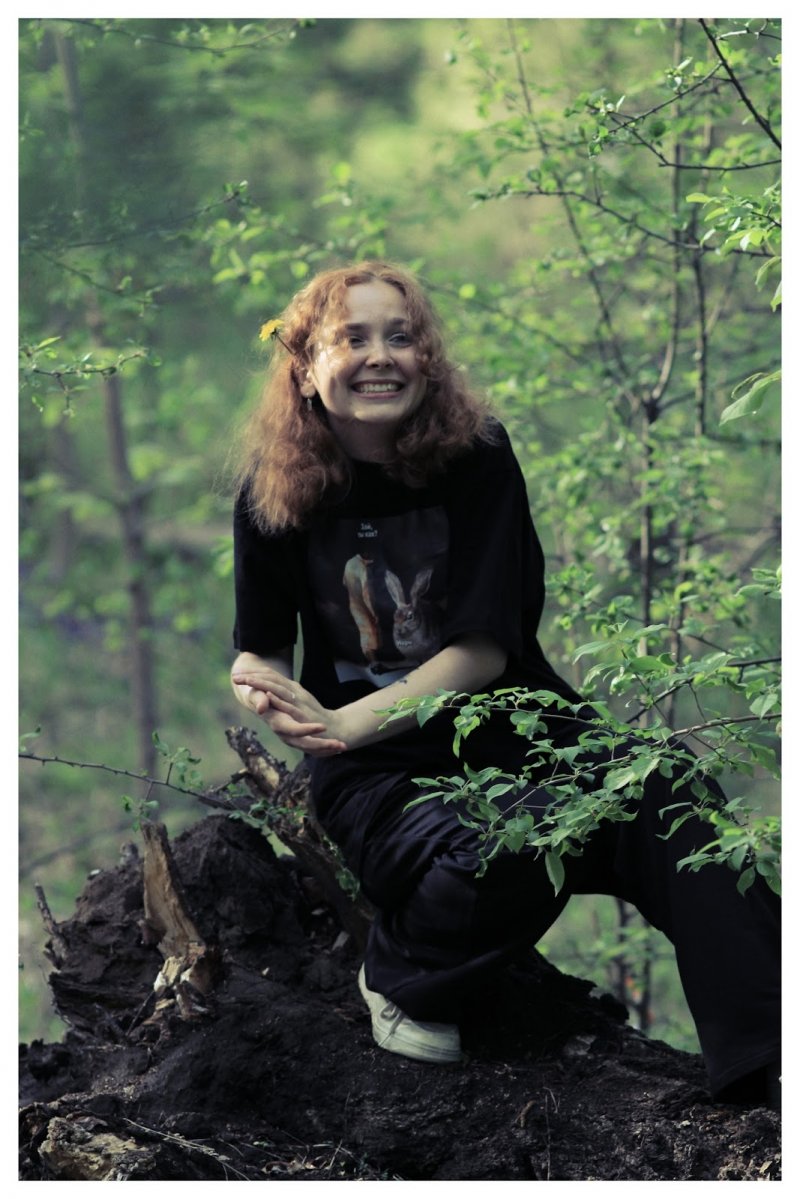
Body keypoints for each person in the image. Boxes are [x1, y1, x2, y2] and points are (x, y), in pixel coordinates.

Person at [229, 261, 780, 1105]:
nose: (381, 356)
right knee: (507, 838)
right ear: (305, 367)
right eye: (354, 338)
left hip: (518, 727)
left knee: (674, 800)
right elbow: (263, 651)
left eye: (401, 336)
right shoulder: (273, 486)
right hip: (378, 773)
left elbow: (481, 654)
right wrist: (263, 688)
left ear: (427, 358)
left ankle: (770, 1064)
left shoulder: (475, 457)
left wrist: (341, 720)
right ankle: (405, 973)